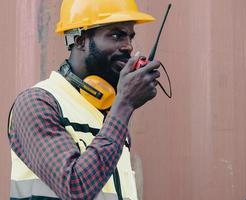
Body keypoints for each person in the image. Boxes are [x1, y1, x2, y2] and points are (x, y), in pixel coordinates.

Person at [8, 0, 161, 199]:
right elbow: (74, 188)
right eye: (116, 35)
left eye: (130, 37)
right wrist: (124, 105)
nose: (128, 47)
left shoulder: (107, 114)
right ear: (80, 40)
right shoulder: (37, 103)